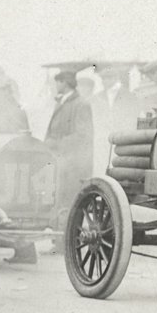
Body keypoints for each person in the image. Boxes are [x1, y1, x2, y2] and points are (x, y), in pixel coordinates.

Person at [44, 69, 94, 229]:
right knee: (60, 200)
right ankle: (60, 238)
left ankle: (66, 240)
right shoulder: (63, 102)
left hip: (74, 164)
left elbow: (83, 136)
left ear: (63, 82)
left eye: (56, 81)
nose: (55, 85)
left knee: (70, 201)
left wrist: (56, 144)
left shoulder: (81, 104)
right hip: (62, 161)